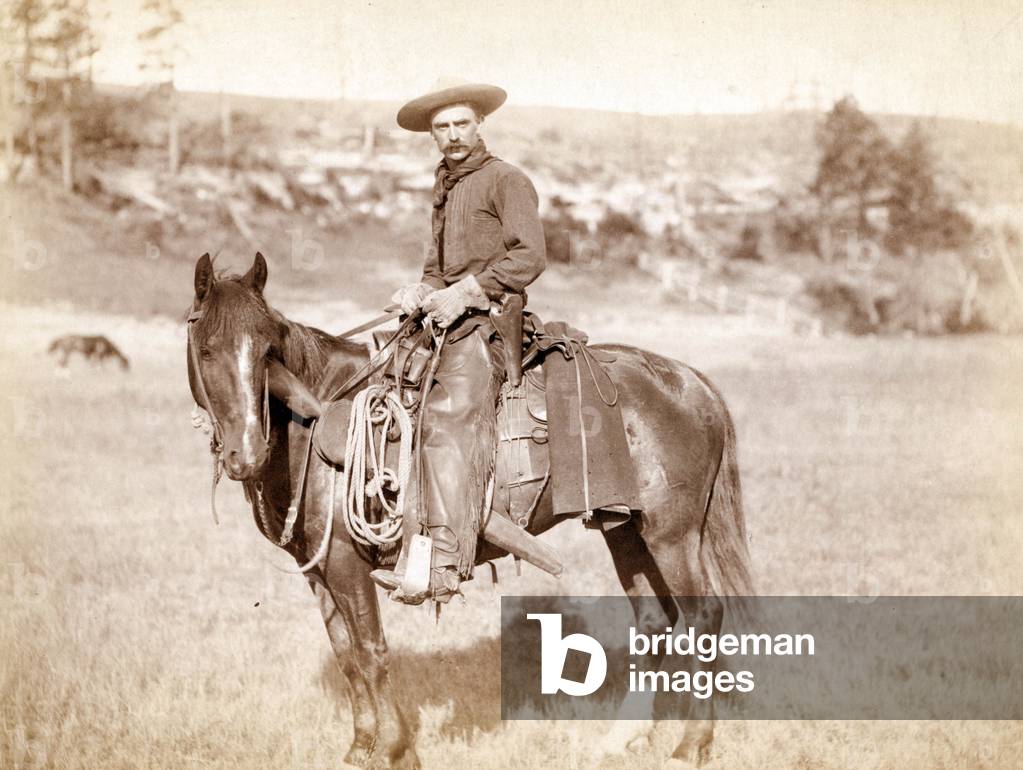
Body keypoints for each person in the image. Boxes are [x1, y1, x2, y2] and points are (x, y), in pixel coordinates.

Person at [370, 81, 546, 603]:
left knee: (448, 419)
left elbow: (529, 257)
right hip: (448, 319)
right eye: (441, 127)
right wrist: (420, 290)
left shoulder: (506, 180)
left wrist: (467, 292)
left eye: (460, 124)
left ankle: (444, 563)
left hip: (490, 324)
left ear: (480, 125)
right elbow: (437, 267)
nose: (451, 135)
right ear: (433, 135)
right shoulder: (445, 185)